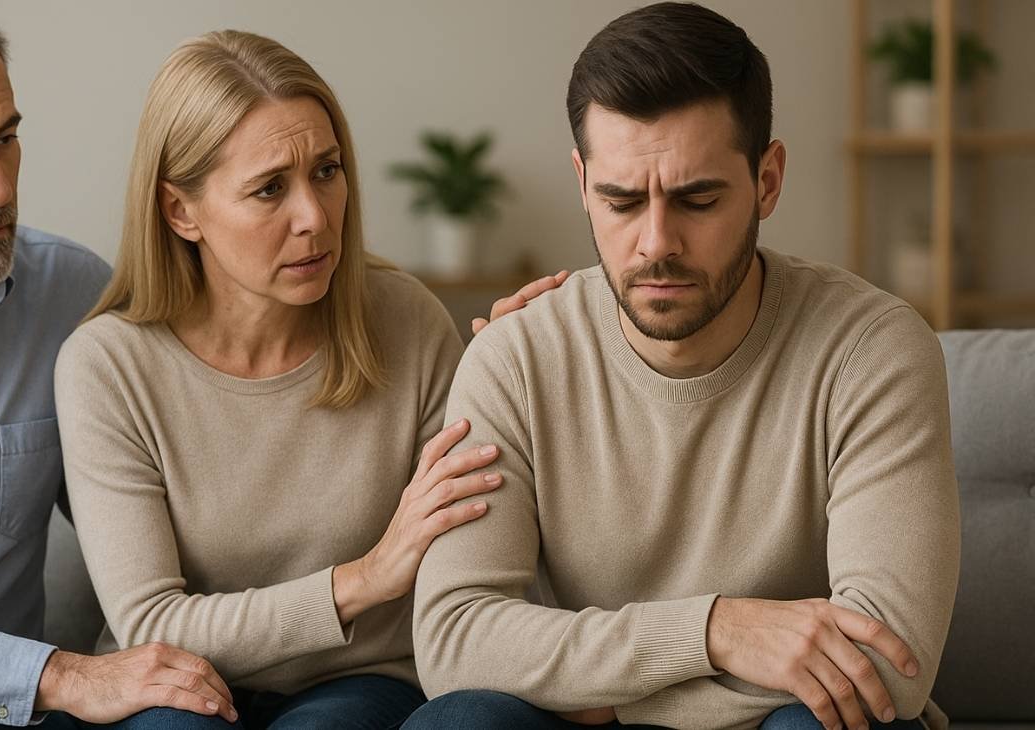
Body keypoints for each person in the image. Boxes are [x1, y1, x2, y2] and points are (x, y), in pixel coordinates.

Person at [406, 3, 959, 730]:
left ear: (767, 180)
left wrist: (603, 699)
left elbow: (887, 664)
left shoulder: (873, 351)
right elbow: (453, 642)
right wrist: (713, 631)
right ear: (582, 184)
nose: (656, 243)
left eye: (697, 199)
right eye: (621, 201)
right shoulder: (514, 358)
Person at [52, 29, 564, 730]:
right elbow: (151, 623)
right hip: (176, 681)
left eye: (326, 171)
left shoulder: (406, 319)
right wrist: (363, 579)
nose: (315, 218)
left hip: (363, 679)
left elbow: (482, 541)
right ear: (180, 212)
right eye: (270, 189)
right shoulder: (107, 365)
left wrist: (515, 375)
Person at [0, 1, 264, 726]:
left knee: (180, 712)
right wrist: (60, 674)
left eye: (5, 139)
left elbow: (190, 509)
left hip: (22, 714)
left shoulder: (74, 296)